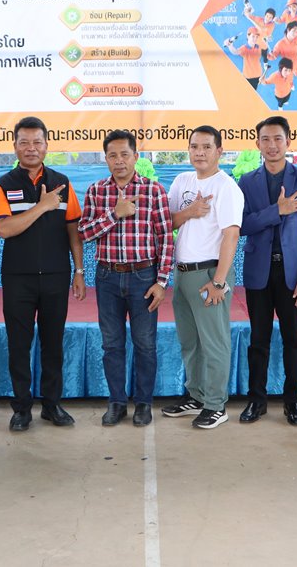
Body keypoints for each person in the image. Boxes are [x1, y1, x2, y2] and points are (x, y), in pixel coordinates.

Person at [0, 116, 86, 432]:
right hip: (18, 278)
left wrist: (79, 271)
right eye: (24, 142)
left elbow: (73, 229)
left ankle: (51, 405)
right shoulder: (3, 185)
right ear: (15, 146)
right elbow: (5, 229)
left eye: (37, 142)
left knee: (53, 343)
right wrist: (42, 206)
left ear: (46, 145)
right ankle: (21, 409)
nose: (31, 148)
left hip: (56, 276)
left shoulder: (63, 183)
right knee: (19, 345)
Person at [78, 130, 174, 427]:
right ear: (105, 158)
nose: (118, 161)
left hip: (143, 277)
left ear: (136, 156)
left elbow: (166, 238)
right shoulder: (96, 191)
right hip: (107, 276)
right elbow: (84, 233)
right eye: (112, 155)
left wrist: (161, 281)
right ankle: (117, 402)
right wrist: (114, 214)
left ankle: (144, 403)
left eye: (124, 154)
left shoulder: (153, 191)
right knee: (111, 343)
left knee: (145, 343)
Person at [237, 116, 297, 426]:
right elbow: (241, 225)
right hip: (259, 273)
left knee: (293, 340)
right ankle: (256, 401)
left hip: (294, 275)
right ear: (257, 143)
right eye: (266, 139)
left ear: (288, 141)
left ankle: (292, 401)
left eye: (277, 139)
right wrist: (278, 210)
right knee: (258, 340)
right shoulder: (246, 181)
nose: (272, 145)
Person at [161, 126, 243, 429]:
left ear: (219, 151)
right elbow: (167, 222)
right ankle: (196, 396)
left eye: (207, 147)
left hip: (210, 273)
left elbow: (231, 235)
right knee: (190, 341)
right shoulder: (182, 180)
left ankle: (216, 405)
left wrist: (219, 281)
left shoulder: (226, 187)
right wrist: (191, 211)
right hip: (182, 273)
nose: (200, 152)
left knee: (214, 343)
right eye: (194, 146)